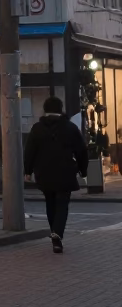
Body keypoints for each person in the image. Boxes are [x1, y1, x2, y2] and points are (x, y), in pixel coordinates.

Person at [24, 95, 88, 253]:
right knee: (62, 204)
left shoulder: (37, 128)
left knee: (50, 202)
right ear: (61, 109)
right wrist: (83, 169)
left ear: (45, 110)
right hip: (65, 171)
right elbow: (81, 150)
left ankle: (54, 231)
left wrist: (28, 170)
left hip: (44, 172)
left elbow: (30, 151)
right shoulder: (70, 127)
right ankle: (57, 234)